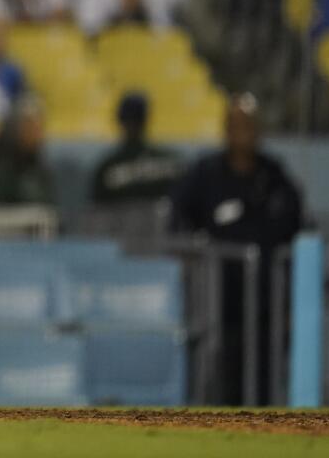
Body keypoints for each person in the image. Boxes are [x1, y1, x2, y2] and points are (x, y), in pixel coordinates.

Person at [171, 93, 306, 405]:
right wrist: (190, 259)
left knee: (266, 385)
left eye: (250, 124)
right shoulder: (206, 175)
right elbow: (177, 219)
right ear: (226, 129)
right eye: (237, 124)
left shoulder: (275, 178)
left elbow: (297, 236)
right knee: (220, 384)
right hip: (219, 305)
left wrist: (291, 303)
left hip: (267, 304)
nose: (244, 131)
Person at [91, 92, 182, 207]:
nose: (132, 125)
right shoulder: (169, 160)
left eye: (135, 120)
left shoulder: (108, 166)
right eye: (129, 120)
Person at [0, 96, 53, 207]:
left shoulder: (40, 164)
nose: (36, 135)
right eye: (30, 127)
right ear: (17, 127)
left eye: (39, 128)